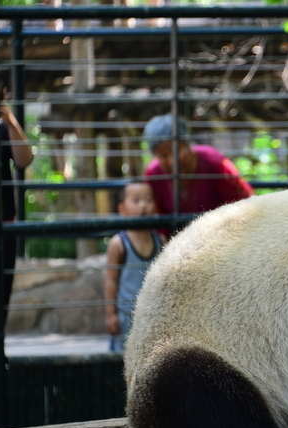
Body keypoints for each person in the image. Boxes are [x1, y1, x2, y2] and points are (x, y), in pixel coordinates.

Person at [142, 114, 254, 227]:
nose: (172, 161)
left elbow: (246, 206)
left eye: (176, 151)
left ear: (187, 144)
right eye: (163, 156)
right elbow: (158, 224)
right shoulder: (153, 175)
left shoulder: (215, 164)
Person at [104, 181, 165, 352]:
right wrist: (110, 314)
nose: (143, 205)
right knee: (122, 358)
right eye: (136, 200)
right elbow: (111, 280)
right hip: (126, 316)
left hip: (153, 316)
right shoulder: (118, 243)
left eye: (148, 200)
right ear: (122, 209)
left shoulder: (160, 241)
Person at [0, 86, 34, 327]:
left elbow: (24, 160)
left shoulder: (4, 129)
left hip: (4, 228)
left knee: (1, 298)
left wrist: (10, 121)